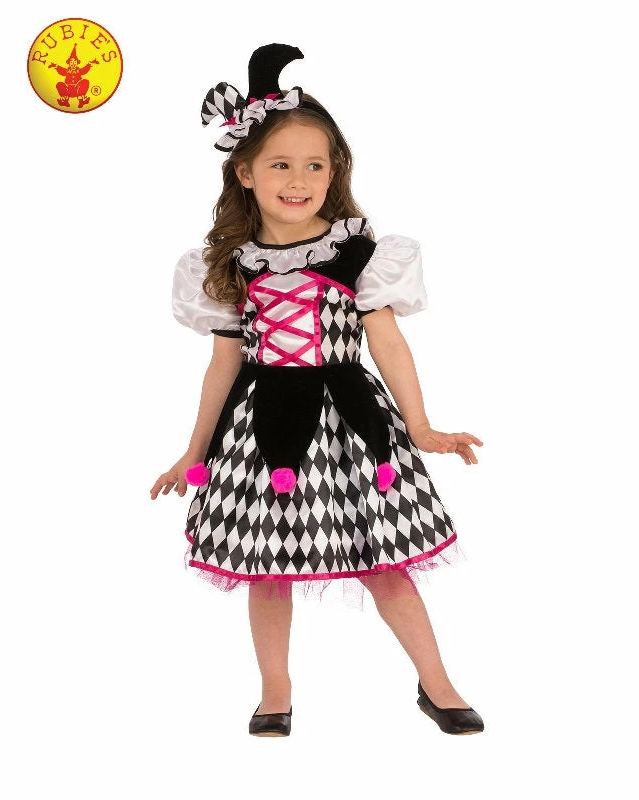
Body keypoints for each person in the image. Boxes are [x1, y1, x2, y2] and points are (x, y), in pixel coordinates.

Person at [150, 43, 485, 737]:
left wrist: (421, 426)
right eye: (280, 164)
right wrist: (193, 451)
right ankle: (275, 691)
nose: (299, 180)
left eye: (315, 165)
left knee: (383, 560)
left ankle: (438, 684)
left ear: (335, 172)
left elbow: (387, 343)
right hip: (260, 428)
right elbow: (222, 366)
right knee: (268, 568)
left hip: (348, 425)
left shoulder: (358, 252)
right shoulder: (230, 265)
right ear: (244, 172)